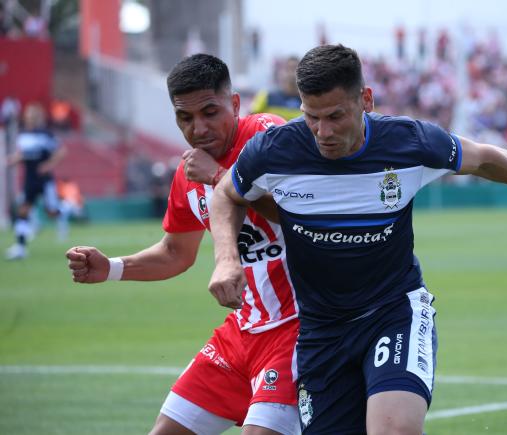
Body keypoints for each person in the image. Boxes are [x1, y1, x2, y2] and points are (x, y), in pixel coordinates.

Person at [208, 44, 507, 434]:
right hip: (321, 330)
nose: (323, 131)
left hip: (393, 312)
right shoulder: (275, 151)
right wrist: (226, 258)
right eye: (312, 117)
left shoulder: (408, 142)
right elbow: (226, 193)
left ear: (366, 100)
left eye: (336, 116)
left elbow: (485, 157)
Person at [65, 54, 300, 435]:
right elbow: (176, 252)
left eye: (210, 112)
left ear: (235, 104)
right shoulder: (188, 175)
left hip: (297, 328)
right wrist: (112, 268)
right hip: (241, 333)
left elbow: (309, 216)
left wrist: (223, 178)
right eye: (185, 118)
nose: (198, 128)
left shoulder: (267, 135)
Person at [6, 102, 66, 260]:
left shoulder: (45, 134)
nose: (30, 118)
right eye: (28, 116)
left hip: (44, 179)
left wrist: (48, 165)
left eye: (34, 116)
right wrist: (13, 160)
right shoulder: (23, 134)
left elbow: (61, 151)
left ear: (39, 118)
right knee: (23, 211)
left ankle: (63, 215)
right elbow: (24, 154)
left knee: (51, 211)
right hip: (30, 178)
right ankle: (20, 247)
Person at [250, 56, 303, 121]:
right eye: (288, 69)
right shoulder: (266, 96)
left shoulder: (309, 99)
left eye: (295, 69)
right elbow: (251, 120)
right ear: (282, 72)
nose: (292, 73)